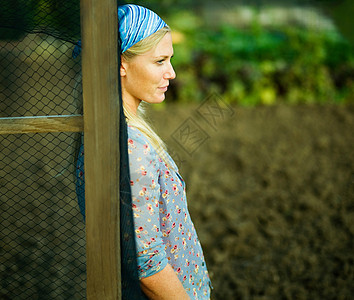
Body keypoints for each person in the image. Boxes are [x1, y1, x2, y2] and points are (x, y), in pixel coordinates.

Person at [76, 4, 212, 299]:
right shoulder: (131, 147)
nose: (172, 73)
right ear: (120, 63)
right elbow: (147, 263)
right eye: (160, 61)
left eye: (170, 60)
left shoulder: (109, 132)